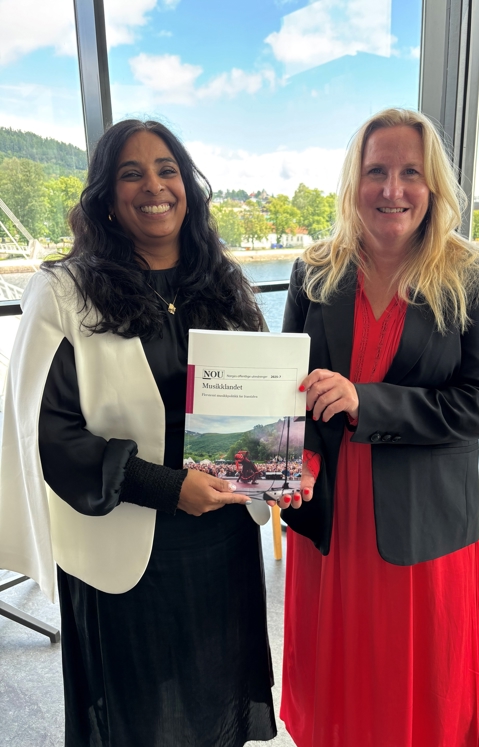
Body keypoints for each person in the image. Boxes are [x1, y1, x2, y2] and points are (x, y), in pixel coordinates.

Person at [0, 120, 277, 747]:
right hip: (122, 544)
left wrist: (281, 456)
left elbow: (258, 397)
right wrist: (166, 487)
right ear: (106, 195)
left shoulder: (222, 283)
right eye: (132, 173)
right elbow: (47, 433)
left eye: (166, 170)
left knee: (211, 696)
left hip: (222, 537)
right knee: (136, 714)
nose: (154, 185)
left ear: (188, 187)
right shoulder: (65, 292)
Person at [279, 108, 479, 747]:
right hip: (331, 509)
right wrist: (296, 462)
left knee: (421, 683)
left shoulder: (472, 275)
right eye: (376, 171)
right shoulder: (313, 272)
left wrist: (367, 403)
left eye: (411, 172)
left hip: (424, 515)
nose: (392, 189)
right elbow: (289, 390)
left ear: (433, 185)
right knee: (341, 679)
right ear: (353, 182)